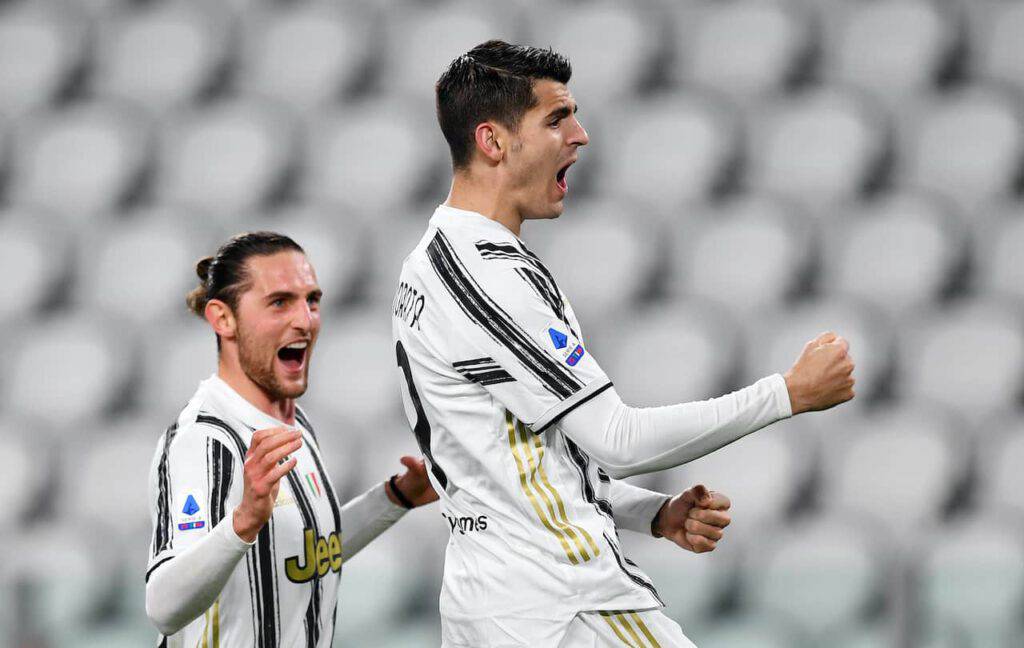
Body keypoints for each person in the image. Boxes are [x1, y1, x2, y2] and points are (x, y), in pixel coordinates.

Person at [391, 40, 856, 647]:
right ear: (493, 141)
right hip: (561, 604)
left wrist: (651, 515)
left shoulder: (432, 263)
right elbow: (618, 440)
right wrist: (787, 394)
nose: (580, 135)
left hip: (499, 603)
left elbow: (525, 464)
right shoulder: (486, 275)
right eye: (556, 119)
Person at [145, 231, 437, 647]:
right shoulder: (205, 440)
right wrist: (244, 521)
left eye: (311, 300)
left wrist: (395, 498)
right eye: (280, 302)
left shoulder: (291, 423)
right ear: (223, 319)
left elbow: (303, 554)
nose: (306, 319)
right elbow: (162, 606)